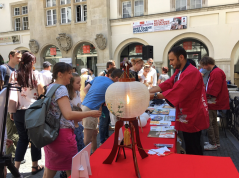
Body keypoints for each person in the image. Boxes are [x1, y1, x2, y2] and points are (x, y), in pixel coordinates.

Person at [42, 62, 101, 178]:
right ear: (60, 74)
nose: (71, 75)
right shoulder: (61, 89)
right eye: (69, 73)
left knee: (50, 170)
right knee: (73, 170)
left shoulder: (50, 87)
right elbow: (68, 114)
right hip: (63, 135)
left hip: (51, 134)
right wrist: (90, 113)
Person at [149, 46, 209, 155]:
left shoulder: (191, 72)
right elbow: (168, 83)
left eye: (172, 60)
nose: (170, 63)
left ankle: (196, 168)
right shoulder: (180, 71)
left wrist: (153, 96)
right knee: (189, 143)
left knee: (193, 146)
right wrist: (149, 91)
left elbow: (178, 91)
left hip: (193, 115)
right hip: (186, 113)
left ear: (181, 57)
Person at [8, 52, 44, 173]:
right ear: (31, 62)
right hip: (33, 111)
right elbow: (41, 92)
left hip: (19, 110)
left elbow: (11, 94)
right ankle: (34, 166)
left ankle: (16, 169)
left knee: (22, 139)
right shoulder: (36, 75)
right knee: (35, 138)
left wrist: (11, 111)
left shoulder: (14, 74)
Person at [82, 69, 123, 152]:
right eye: (121, 80)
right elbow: (113, 104)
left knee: (94, 134)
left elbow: (85, 89)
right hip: (90, 109)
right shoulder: (112, 86)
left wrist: (92, 99)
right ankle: (82, 162)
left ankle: (94, 153)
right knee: (87, 139)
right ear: (116, 78)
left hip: (85, 106)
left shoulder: (98, 78)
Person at [199, 56, 230, 150]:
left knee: (209, 123)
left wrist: (204, 93)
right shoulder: (216, 71)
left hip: (212, 102)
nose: (203, 68)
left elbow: (213, 90)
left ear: (207, 64)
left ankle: (213, 143)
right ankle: (216, 142)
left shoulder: (216, 72)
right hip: (214, 101)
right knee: (214, 123)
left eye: (203, 66)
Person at [0, 50, 23, 164]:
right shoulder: (4, 68)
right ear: (11, 56)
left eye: (20, 58)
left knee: (15, 131)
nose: (19, 60)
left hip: (14, 104)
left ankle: (12, 156)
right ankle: (10, 157)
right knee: (11, 132)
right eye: (17, 57)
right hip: (6, 105)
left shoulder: (17, 70)